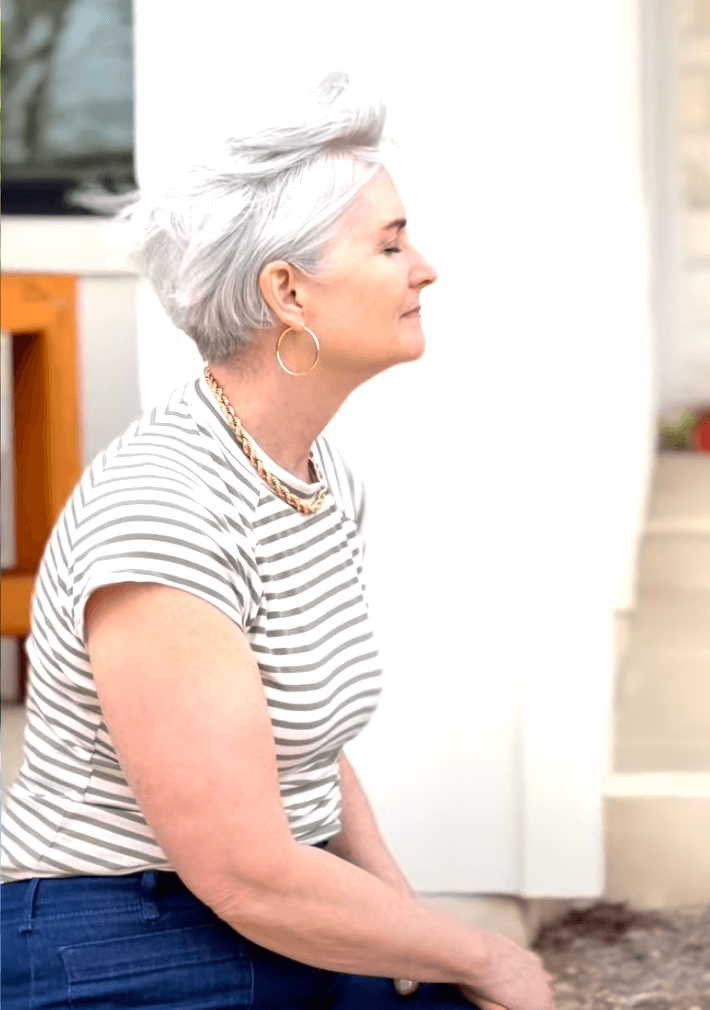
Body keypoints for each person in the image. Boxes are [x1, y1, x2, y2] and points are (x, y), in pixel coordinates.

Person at [1, 72, 556, 1010]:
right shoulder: (166, 511)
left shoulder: (310, 476)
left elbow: (302, 749)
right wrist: (484, 955)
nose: (425, 268)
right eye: (391, 244)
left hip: (253, 914)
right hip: (112, 939)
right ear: (288, 292)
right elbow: (244, 872)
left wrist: (408, 928)